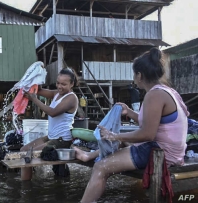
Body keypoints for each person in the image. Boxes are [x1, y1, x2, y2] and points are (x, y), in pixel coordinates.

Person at [73, 47, 189, 203]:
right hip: (170, 150)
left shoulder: (154, 95)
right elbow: (161, 122)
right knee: (121, 142)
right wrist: (129, 112)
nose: (134, 78)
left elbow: (148, 134)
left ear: (139, 75)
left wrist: (115, 135)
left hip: (161, 153)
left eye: (134, 74)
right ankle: (89, 155)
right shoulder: (168, 91)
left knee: (100, 167)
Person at [21, 67, 80, 181]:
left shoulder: (71, 98)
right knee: (24, 150)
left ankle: (26, 188)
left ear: (71, 84)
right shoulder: (57, 94)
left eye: (63, 84)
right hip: (52, 136)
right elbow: (39, 90)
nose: (59, 86)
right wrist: (36, 79)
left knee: (29, 154)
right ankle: (27, 184)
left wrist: (34, 99)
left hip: (62, 139)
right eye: (58, 83)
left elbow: (53, 113)